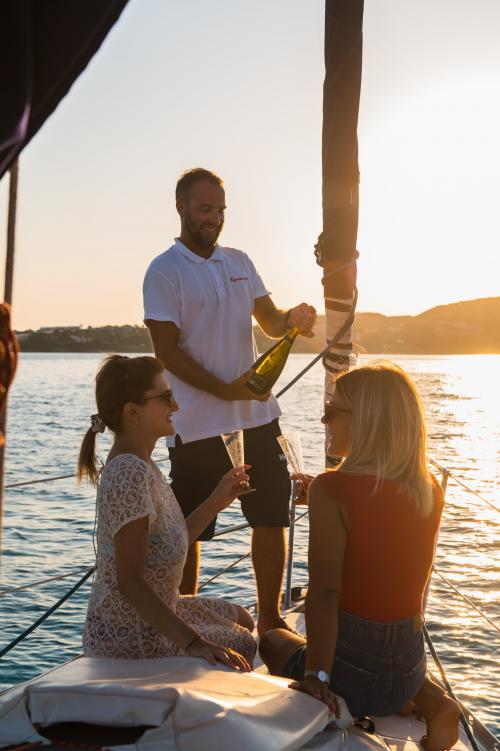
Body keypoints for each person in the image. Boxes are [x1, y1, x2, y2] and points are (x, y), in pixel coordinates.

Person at [143, 167, 316, 635]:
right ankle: (179, 618)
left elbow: (271, 321)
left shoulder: (240, 260)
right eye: (205, 209)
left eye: (221, 210)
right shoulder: (164, 270)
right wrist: (224, 390)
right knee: (190, 525)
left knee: (271, 514)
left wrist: (292, 318)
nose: (215, 218)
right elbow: (167, 350)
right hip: (196, 422)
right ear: (181, 207)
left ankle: (270, 618)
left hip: (257, 415)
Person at [259, 362, 460, 751]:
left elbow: (326, 594)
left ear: (367, 420)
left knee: (271, 639)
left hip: (350, 677)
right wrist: (322, 491)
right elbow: (381, 525)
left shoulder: (333, 491)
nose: (322, 418)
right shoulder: (428, 486)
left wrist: (317, 676)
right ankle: (433, 700)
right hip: (407, 670)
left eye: (333, 410)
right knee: (386, 649)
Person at [79, 354, 256, 669]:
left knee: (242, 617)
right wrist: (195, 643)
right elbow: (129, 581)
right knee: (244, 641)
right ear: (133, 413)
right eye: (165, 398)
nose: (175, 406)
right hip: (130, 634)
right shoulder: (129, 473)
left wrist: (217, 499)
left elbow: (171, 541)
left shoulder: (143, 464)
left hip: (157, 610)